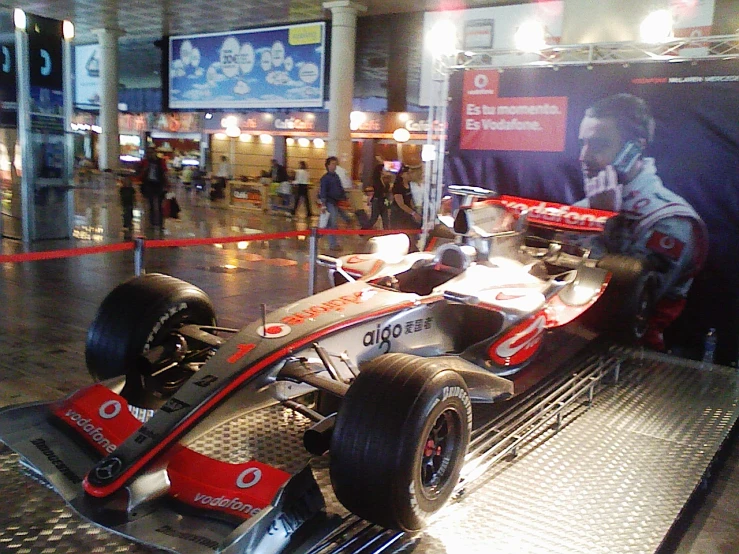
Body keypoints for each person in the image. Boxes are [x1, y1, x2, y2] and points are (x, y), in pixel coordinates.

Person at [575, 93, 708, 351]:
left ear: (634, 148)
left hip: (629, 356)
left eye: (598, 145)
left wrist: (604, 224)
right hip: (574, 339)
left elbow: (623, 301)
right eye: (583, 143)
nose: (583, 156)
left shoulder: (671, 220)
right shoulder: (588, 204)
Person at [319, 156, 352, 251]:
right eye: (332, 164)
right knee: (332, 223)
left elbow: (340, 188)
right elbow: (323, 192)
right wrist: (323, 204)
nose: (334, 166)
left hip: (336, 202)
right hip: (329, 202)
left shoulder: (336, 176)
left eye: (335, 164)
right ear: (328, 165)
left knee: (331, 222)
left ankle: (320, 233)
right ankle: (332, 244)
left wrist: (345, 198)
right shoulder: (325, 178)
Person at [390, 165, 422, 252]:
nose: (409, 175)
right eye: (407, 173)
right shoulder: (397, 187)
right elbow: (401, 204)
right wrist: (413, 213)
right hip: (399, 214)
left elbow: (410, 199)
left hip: (408, 212)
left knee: (413, 231)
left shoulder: (409, 185)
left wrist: (415, 210)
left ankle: (413, 249)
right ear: (402, 175)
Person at [138, 147, 168, 230]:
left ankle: (160, 223)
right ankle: (152, 223)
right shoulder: (145, 162)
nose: (150, 155)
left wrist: (167, 184)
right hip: (148, 184)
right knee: (151, 205)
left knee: (159, 205)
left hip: (159, 185)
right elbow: (139, 173)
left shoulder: (160, 162)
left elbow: (165, 173)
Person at [362, 156, 390, 230]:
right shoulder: (376, 180)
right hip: (377, 201)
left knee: (386, 219)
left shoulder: (385, 181)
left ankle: (386, 232)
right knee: (373, 219)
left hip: (383, 201)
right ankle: (363, 231)